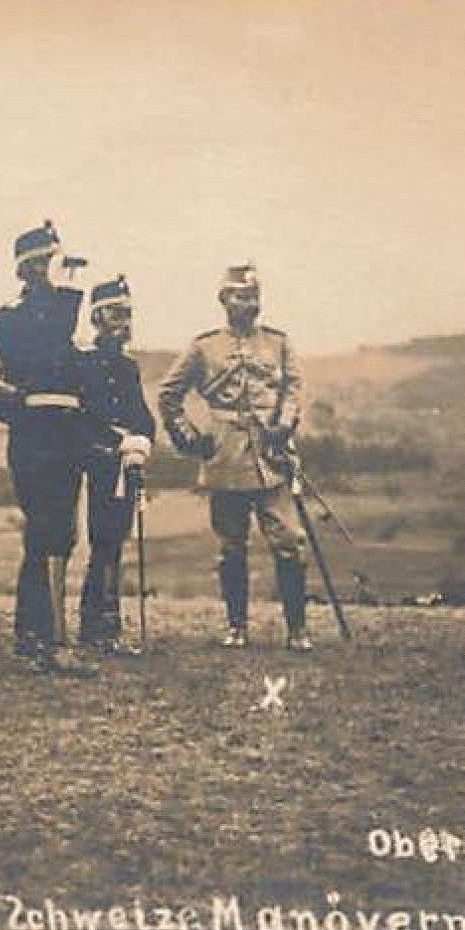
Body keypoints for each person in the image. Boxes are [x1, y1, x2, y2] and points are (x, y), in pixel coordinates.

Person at [157, 263, 311, 652]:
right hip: (224, 456)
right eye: (240, 296)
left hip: (271, 454)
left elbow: (292, 390)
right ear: (224, 300)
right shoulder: (204, 347)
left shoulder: (278, 343)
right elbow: (168, 395)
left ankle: (297, 630)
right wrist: (190, 439)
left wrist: (285, 425)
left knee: (289, 540)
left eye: (253, 296)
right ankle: (237, 627)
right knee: (231, 544)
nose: (248, 304)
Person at [0, 220, 97, 677]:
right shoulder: (18, 315)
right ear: (34, 267)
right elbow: (49, 339)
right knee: (46, 533)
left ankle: (33, 634)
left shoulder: (53, 313)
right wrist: (67, 287)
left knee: (59, 535)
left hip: (64, 432)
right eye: (53, 259)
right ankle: (50, 640)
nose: (63, 268)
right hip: (37, 434)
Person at [73, 275, 154, 657]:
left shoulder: (128, 367)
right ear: (98, 318)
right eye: (117, 315)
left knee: (115, 543)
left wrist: (141, 443)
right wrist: (116, 442)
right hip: (99, 461)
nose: (125, 323)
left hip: (127, 461)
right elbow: (85, 418)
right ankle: (96, 626)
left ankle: (108, 623)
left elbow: (142, 415)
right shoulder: (84, 363)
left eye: (128, 315)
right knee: (103, 543)